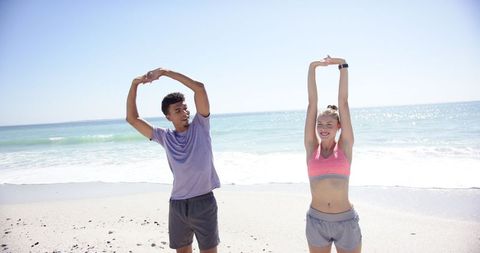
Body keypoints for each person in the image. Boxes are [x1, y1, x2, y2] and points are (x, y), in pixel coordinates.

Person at [126, 68, 220, 253]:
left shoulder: (201, 126)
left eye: (185, 108)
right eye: (178, 110)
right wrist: (134, 84)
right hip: (177, 204)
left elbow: (199, 89)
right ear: (168, 116)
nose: (184, 112)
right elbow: (132, 119)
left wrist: (164, 72)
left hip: (203, 202)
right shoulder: (164, 136)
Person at [304, 56, 362, 253]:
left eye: (329, 124)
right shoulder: (312, 147)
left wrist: (343, 65)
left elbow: (343, 103)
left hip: (345, 221)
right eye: (320, 124)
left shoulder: (345, 146)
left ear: (339, 126)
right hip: (316, 221)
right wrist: (313, 67)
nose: (323, 128)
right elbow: (312, 104)